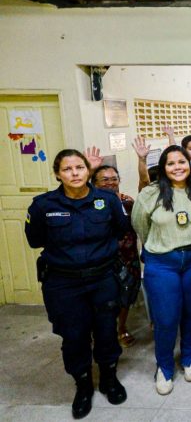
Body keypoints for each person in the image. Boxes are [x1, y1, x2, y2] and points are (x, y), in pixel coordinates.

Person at [25, 149, 130, 419]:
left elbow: (120, 229)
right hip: (63, 283)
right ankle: (83, 385)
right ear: (58, 174)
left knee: (107, 330)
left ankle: (109, 379)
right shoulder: (43, 206)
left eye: (79, 168)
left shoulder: (106, 200)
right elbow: (35, 240)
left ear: (88, 171)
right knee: (74, 335)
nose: (74, 173)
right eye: (68, 169)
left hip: (103, 278)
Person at [132, 145, 191, 395]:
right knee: (166, 318)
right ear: (163, 167)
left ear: (189, 164)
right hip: (162, 262)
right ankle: (165, 367)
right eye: (171, 163)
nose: (177, 167)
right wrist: (160, 245)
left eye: (181, 162)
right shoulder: (151, 193)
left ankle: (188, 357)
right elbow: (140, 225)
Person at [90, 164, 141, 349]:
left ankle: (121, 328)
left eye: (114, 179)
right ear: (94, 183)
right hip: (102, 258)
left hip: (128, 256)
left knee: (126, 293)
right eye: (105, 179)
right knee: (103, 299)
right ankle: (103, 332)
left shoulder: (127, 202)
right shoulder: (89, 205)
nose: (110, 183)